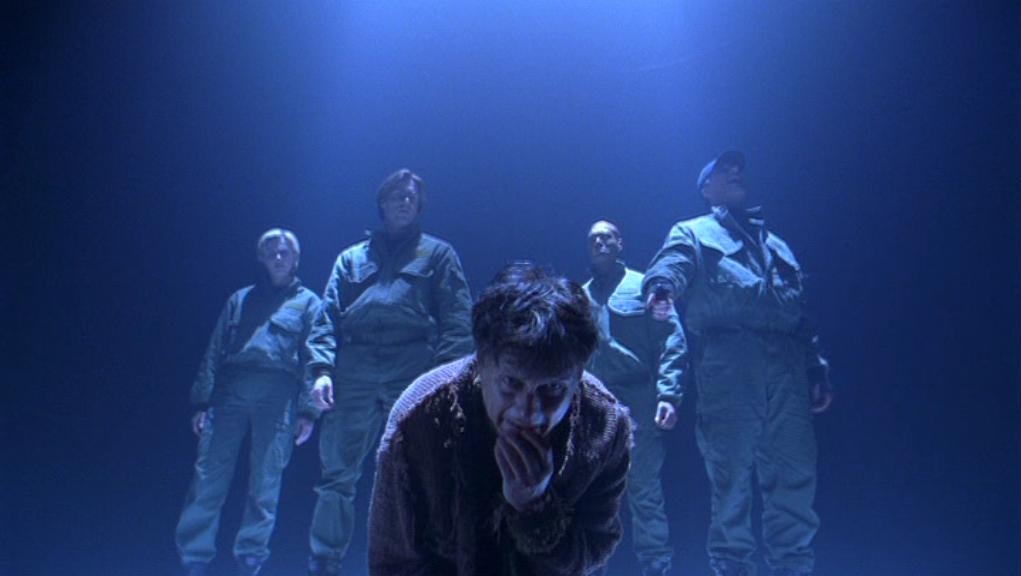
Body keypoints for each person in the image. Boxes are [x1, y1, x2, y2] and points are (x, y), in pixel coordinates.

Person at [368, 261, 632, 576]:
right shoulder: (418, 421)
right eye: (511, 383)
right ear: (481, 363)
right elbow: (394, 564)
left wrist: (535, 509)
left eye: (552, 388)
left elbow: (593, 550)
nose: (529, 413)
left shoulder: (604, 427)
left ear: (578, 376)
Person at [643, 151, 833, 576]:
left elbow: (799, 315)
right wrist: (661, 288)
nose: (735, 172)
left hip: (787, 372)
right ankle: (732, 568)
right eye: (723, 170)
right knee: (730, 480)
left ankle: (792, 569)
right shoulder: (693, 232)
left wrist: (815, 368)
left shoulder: (777, 245)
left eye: (739, 168)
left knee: (795, 478)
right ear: (705, 188)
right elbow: (671, 264)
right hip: (730, 366)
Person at [305, 169, 475, 575]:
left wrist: (442, 379)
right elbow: (326, 318)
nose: (405, 201)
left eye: (412, 197)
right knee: (336, 472)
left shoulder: (438, 255)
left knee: (422, 469)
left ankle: (423, 561)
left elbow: (457, 319)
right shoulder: (351, 259)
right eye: (398, 195)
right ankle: (325, 562)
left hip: (412, 367)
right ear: (381, 203)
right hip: (355, 369)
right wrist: (322, 370)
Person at [176, 228, 321, 576]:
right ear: (261, 258)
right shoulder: (239, 300)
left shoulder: (309, 303)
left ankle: (251, 557)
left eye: (284, 252)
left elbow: (313, 358)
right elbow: (214, 351)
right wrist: (202, 402)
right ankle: (194, 557)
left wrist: (308, 411)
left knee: (266, 480)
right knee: (209, 473)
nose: (278, 257)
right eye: (271, 252)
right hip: (231, 390)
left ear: (296, 258)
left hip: (278, 394)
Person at [582, 220, 687, 576]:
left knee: (644, 490)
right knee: (593, 492)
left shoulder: (645, 288)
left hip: (637, 400)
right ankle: (593, 566)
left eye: (607, 237)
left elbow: (671, 340)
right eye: (593, 239)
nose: (600, 243)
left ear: (620, 243)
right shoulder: (579, 297)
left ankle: (656, 566)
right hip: (593, 405)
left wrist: (669, 394)